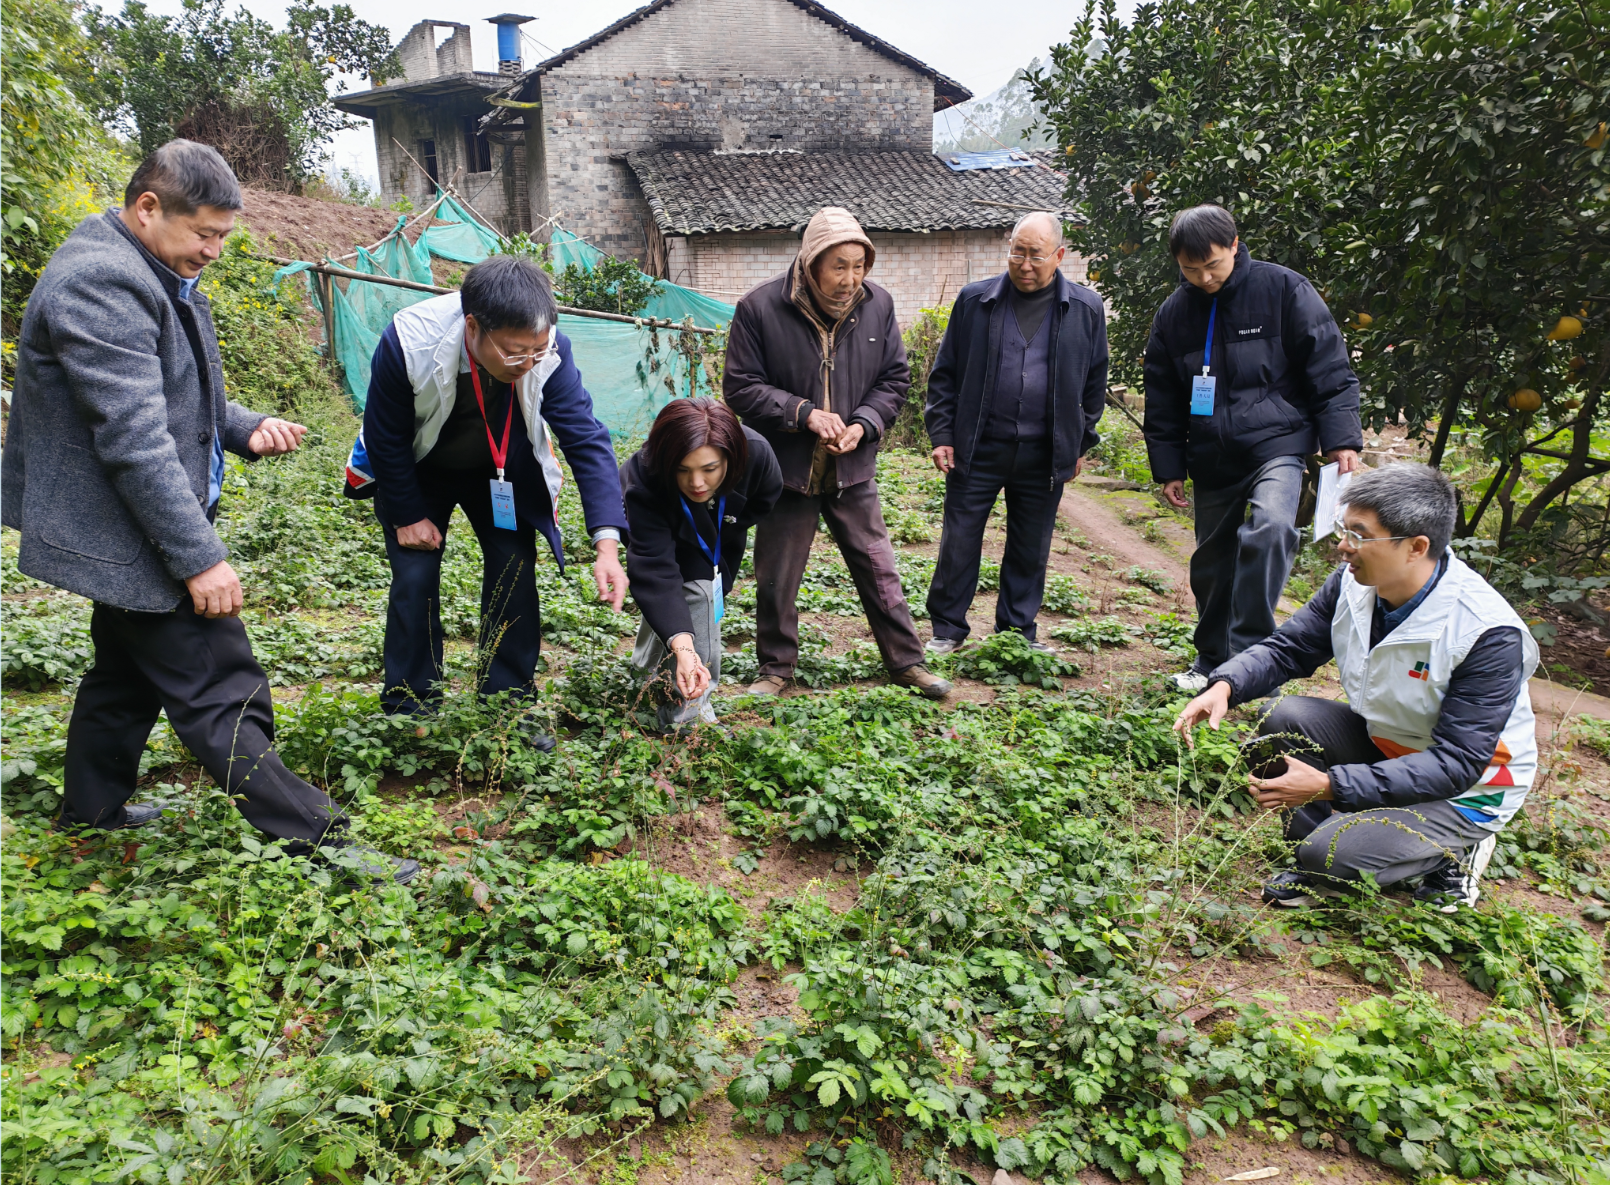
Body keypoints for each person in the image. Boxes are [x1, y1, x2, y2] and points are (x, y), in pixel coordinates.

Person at [1, 140, 415, 882]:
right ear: (148, 206)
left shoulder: (145, 264)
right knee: (220, 684)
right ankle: (318, 840)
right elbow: (132, 437)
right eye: (206, 233)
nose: (216, 250)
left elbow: (166, 387)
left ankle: (90, 810)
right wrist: (199, 557)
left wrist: (238, 424)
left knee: (124, 675)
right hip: (130, 529)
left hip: (127, 522)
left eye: (225, 236)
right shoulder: (102, 281)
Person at [1173, 463, 1536, 912]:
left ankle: (1454, 850)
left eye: (1359, 535)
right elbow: (1290, 648)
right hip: (1392, 745)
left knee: (1331, 855)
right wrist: (1225, 684)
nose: (1343, 547)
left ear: (1416, 547)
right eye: (1343, 529)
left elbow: (1457, 763)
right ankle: (1322, 849)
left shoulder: (1485, 633)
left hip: (1468, 786)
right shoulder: (1354, 584)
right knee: (1283, 720)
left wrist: (1330, 784)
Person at [348, 254, 628, 744]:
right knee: (414, 576)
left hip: (502, 472)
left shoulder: (548, 348)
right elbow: (385, 435)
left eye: (537, 352)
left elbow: (585, 438)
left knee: (515, 568)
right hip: (420, 468)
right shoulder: (410, 338)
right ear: (473, 326)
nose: (528, 363)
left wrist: (607, 543)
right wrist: (409, 514)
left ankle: (508, 701)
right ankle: (410, 706)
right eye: (515, 353)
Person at [723, 207, 951, 700]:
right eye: (839, 266)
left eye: (859, 265)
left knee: (879, 566)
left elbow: (894, 380)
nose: (851, 279)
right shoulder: (760, 308)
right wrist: (803, 413)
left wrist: (864, 424)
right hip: (786, 470)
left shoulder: (878, 306)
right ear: (810, 263)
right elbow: (740, 388)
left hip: (851, 466)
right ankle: (774, 669)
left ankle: (907, 662)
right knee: (777, 576)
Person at [1143, 204, 1364, 691]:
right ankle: (1209, 662)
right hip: (1212, 454)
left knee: (1271, 527)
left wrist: (1342, 438)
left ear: (1235, 246)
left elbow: (1329, 366)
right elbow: (1161, 400)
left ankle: (1252, 662)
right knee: (1212, 563)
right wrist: (1169, 467)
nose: (1203, 278)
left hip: (1277, 443)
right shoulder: (1174, 315)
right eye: (1190, 269)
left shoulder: (1283, 289)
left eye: (1213, 265)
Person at [922, 211, 1109, 653]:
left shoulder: (1085, 308)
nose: (1025, 264)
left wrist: (1080, 442)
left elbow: (1094, 381)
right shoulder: (974, 301)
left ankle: (1015, 633)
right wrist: (942, 433)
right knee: (960, 540)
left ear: (1059, 256)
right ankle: (947, 629)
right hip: (977, 446)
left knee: (1031, 546)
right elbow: (945, 374)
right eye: (1017, 253)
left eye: (1036, 256)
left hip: (1043, 454)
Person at [621, 399, 782, 731]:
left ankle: (646, 676)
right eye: (683, 469)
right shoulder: (643, 477)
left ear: (731, 458)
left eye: (709, 469)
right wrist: (685, 647)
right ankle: (688, 716)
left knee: (682, 600)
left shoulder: (757, 454)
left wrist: (720, 523)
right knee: (695, 594)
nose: (697, 482)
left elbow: (764, 499)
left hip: (723, 528)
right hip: (661, 527)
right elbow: (653, 569)